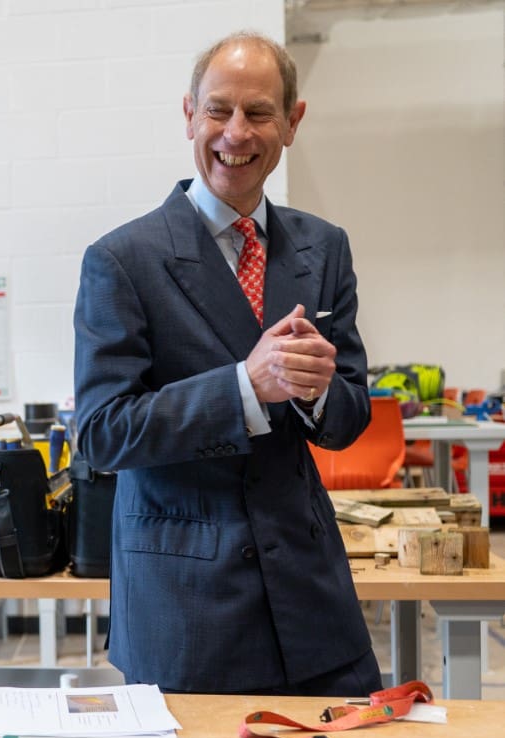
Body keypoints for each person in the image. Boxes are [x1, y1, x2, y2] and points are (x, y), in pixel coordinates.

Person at [73, 31, 382, 696]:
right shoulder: (123, 260)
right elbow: (101, 432)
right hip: (187, 607)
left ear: (292, 123)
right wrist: (245, 386)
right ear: (189, 113)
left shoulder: (323, 249)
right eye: (218, 110)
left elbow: (349, 412)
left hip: (312, 599)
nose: (235, 134)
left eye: (259, 113)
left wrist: (322, 390)